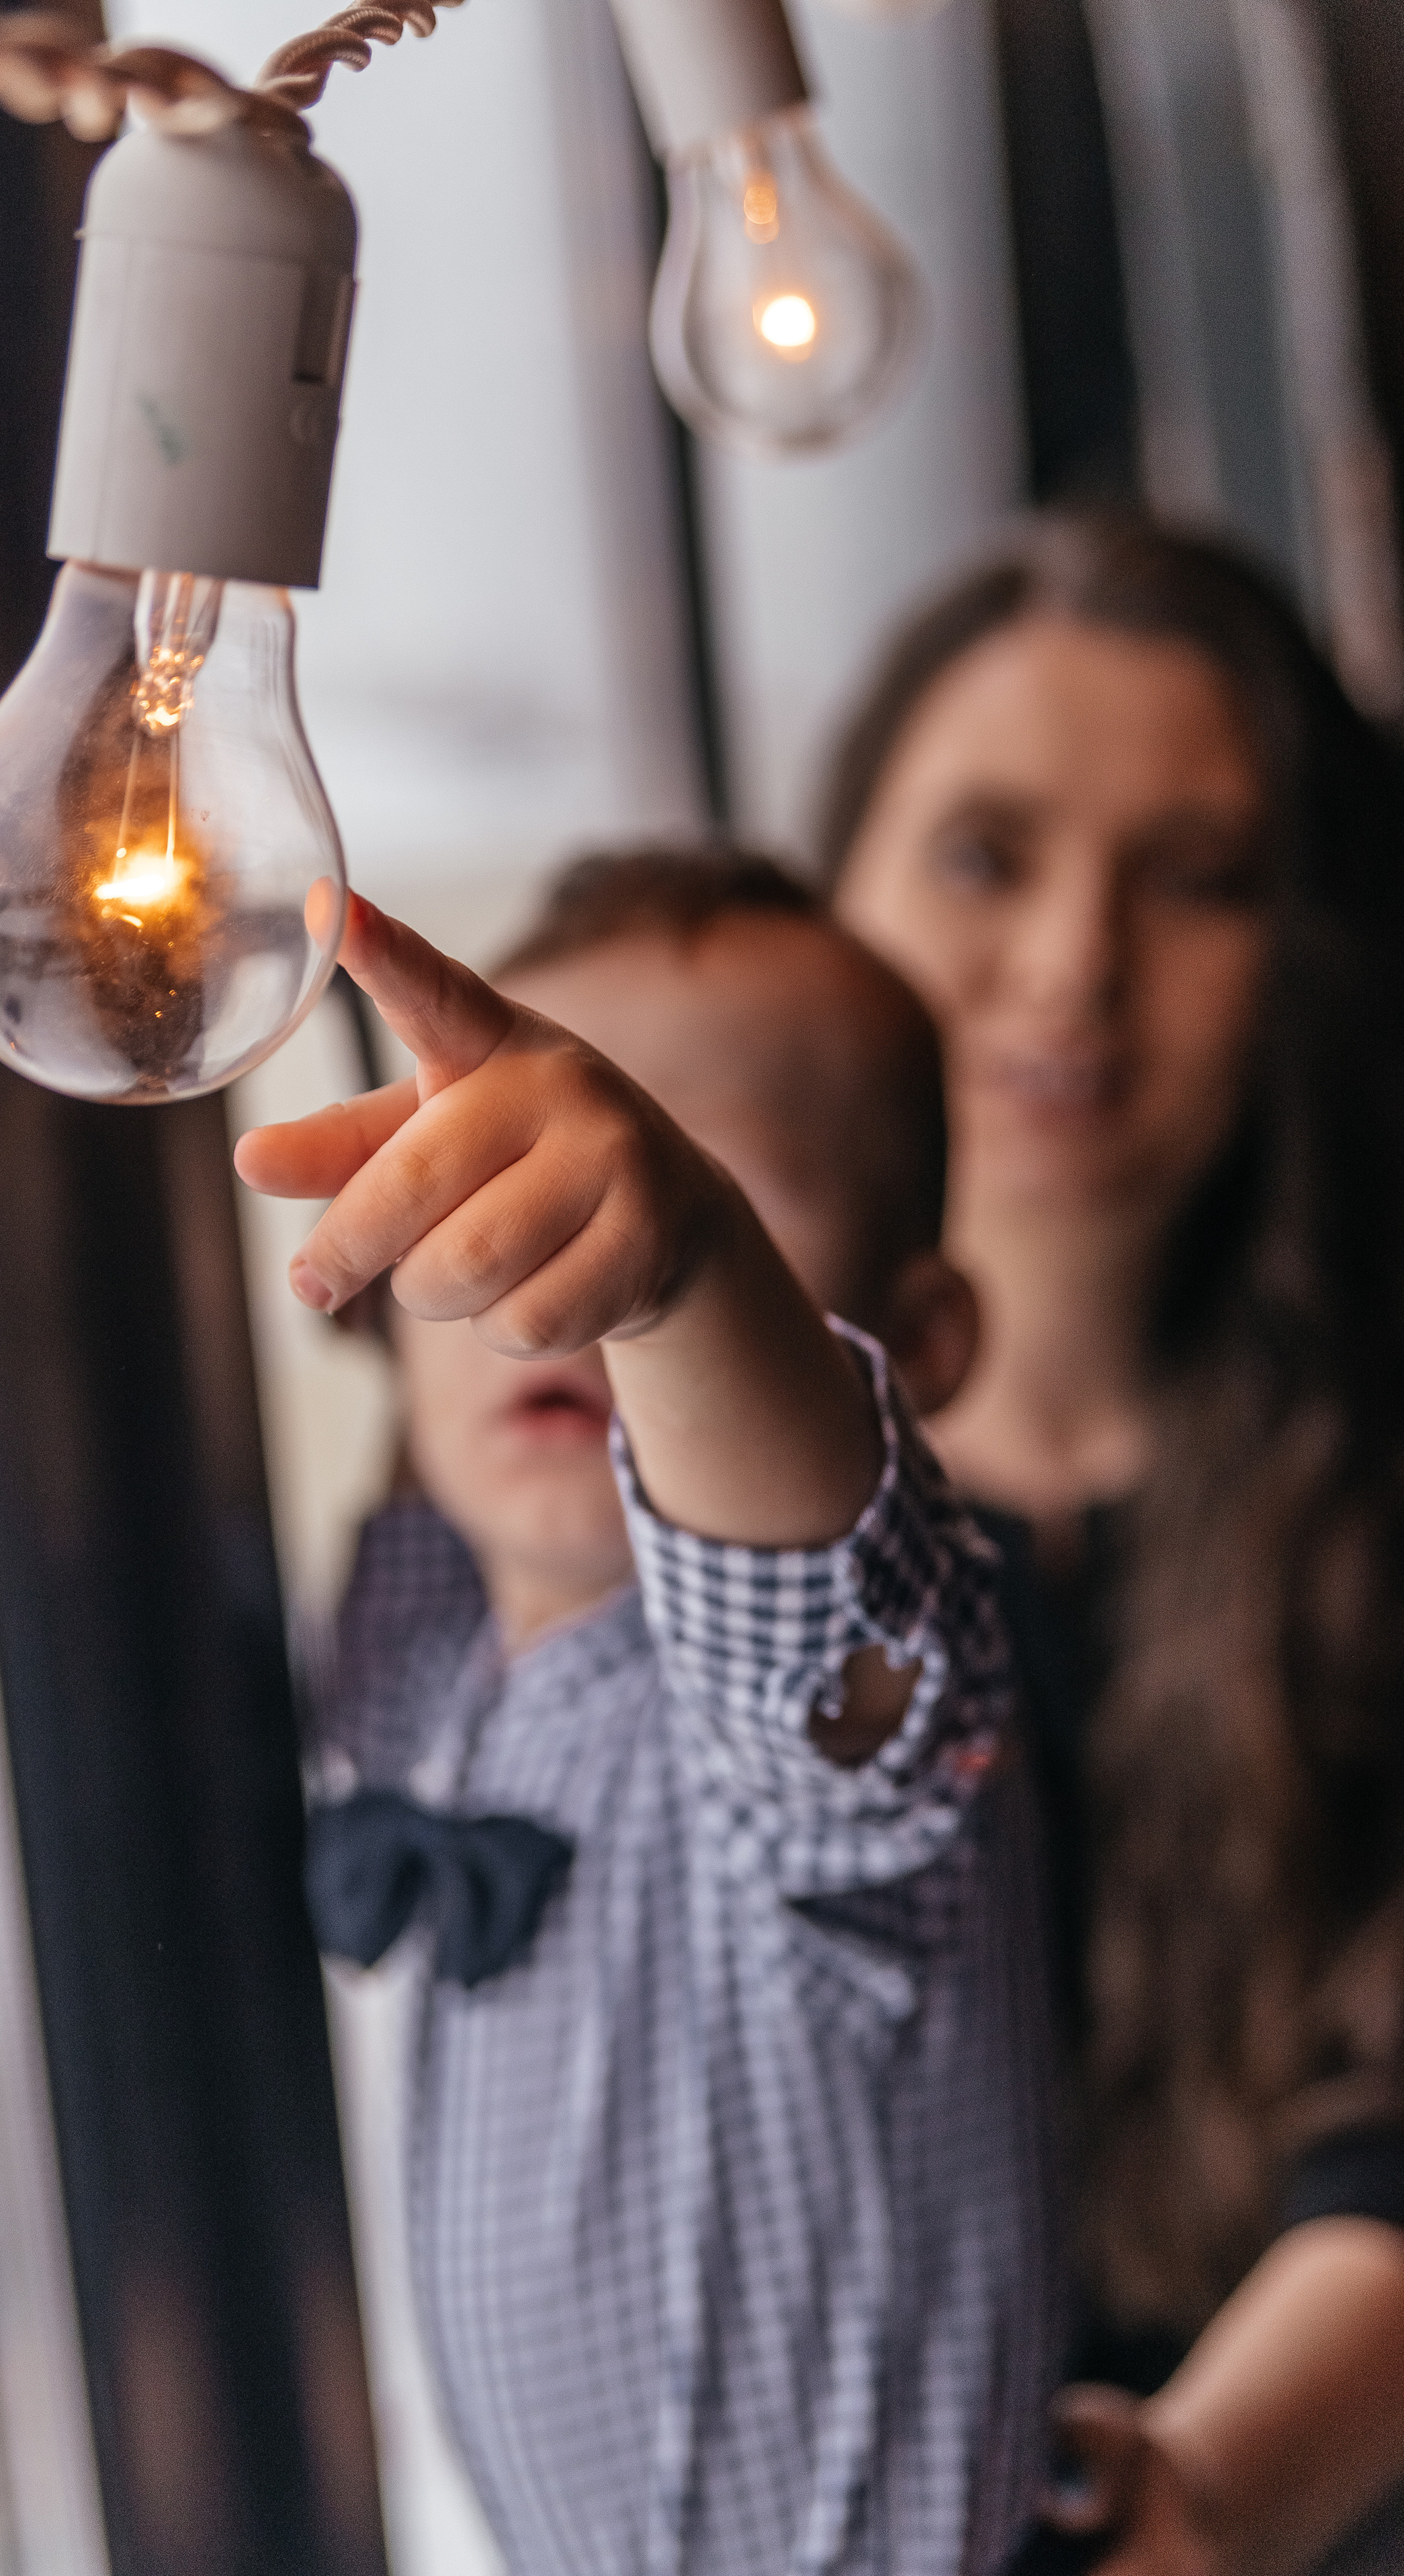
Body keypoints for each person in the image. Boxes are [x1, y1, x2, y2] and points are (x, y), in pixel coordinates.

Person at [235, 858, 1061, 2576]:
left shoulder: (821, 1728)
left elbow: (804, 1568)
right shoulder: (435, 1659)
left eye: (706, 1190)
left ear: (909, 1343)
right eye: (495, 1187)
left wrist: (684, 1278)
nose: (558, 1255)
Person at [820, 510, 1404, 2575]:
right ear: (838, 889)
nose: (1074, 964)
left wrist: (1209, 2499)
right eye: (986, 855)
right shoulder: (703, 1515)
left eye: (1200, 882)